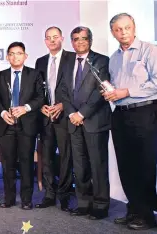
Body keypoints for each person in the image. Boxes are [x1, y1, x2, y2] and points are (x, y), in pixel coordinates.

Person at [105, 13, 157, 230]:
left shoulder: (150, 50)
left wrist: (127, 91)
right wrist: (110, 93)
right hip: (120, 115)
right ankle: (133, 209)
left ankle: (147, 215)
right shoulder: (114, 57)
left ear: (134, 28)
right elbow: (116, 88)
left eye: (127, 28)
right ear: (113, 32)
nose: (123, 32)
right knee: (125, 166)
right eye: (118, 29)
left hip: (145, 113)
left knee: (145, 165)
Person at [57, 26, 111, 220]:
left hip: (94, 121)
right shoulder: (67, 61)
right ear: (71, 41)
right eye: (75, 39)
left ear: (90, 40)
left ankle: (101, 204)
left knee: (98, 165)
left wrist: (82, 113)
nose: (79, 42)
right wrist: (72, 113)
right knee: (79, 166)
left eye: (83, 38)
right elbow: (63, 90)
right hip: (73, 121)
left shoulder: (102, 60)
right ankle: (83, 203)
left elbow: (100, 91)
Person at [0, 42, 44, 210]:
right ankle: (8, 198)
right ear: (7, 57)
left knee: (26, 163)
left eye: (19, 53)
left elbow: (40, 97)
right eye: (12, 54)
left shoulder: (35, 74)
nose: (15, 56)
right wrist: (2, 113)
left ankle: (26, 199)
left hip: (27, 125)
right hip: (6, 125)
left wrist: (25, 108)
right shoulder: (0, 76)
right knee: (7, 164)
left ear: (25, 56)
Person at [34, 26, 74, 211]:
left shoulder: (72, 59)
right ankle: (50, 194)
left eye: (55, 37)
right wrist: (41, 105)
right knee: (47, 157)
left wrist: (63, 105)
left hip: (65, 115)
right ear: (44, 41)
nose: (52, 40)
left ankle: (65, 195)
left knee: (66, 157)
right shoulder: (40, 62)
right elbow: (38, 89)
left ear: (62, 38)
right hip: (46, 117)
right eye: (48, 37)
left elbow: (76, 89)